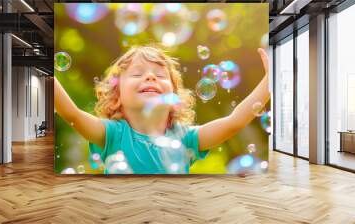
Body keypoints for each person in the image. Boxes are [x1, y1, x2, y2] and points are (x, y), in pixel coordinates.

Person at [54, 45, 270, 174]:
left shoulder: (186, 138)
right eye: (137, 74)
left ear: (174, 95)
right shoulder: (113, 134)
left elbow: (234, 122)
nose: (150, 77)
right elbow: (72, 114)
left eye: (160, 75)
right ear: (117, 96)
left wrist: (270, 81)